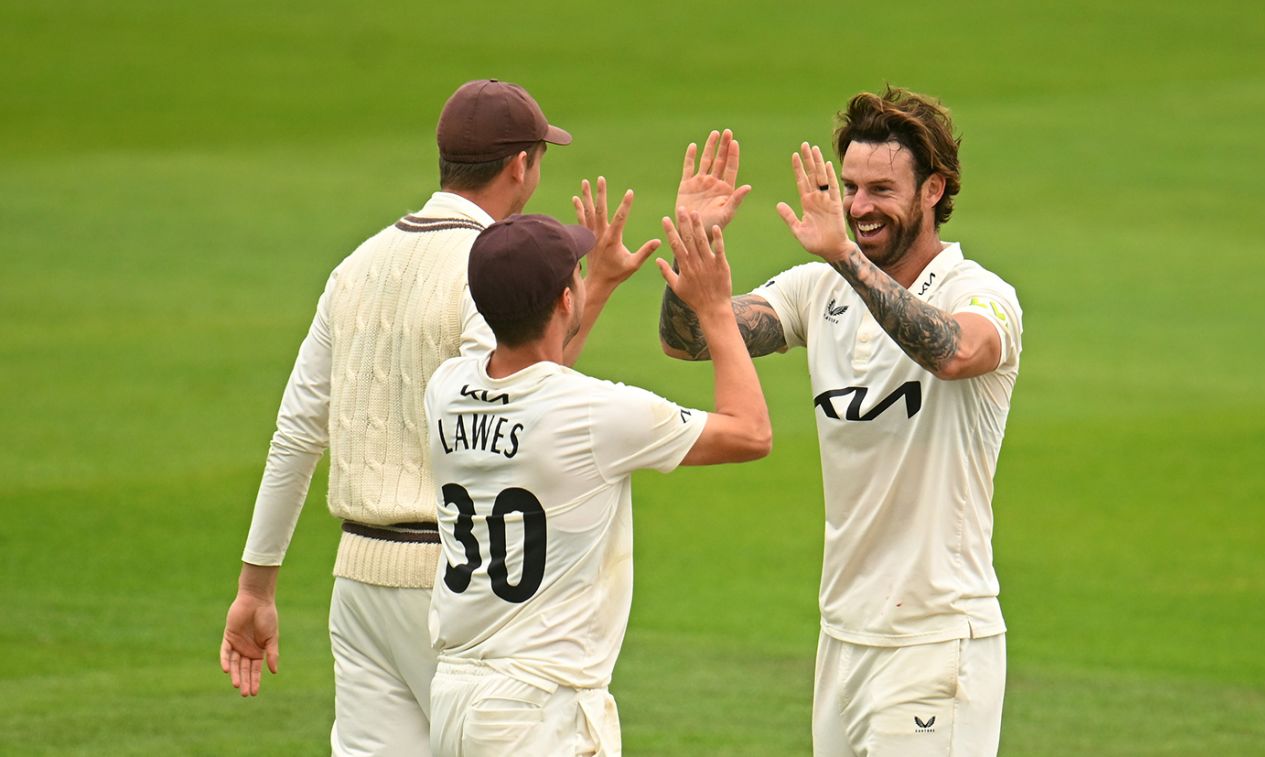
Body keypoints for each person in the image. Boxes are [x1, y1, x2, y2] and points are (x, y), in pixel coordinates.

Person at [218, 78, 657, 755]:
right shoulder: (488, 271)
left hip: (359, 585)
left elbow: (298, 432)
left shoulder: (354, 268)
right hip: (460, 588)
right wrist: (594, 288)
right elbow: (527, 407)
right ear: (521, 166)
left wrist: (256, 585)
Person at [659, 87, 1024, 756]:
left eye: (881, 188)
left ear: (933, 189)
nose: (858, 207)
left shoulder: (979, 292)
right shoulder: (816, 290)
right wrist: (696, 246)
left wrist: (845, 258)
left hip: (936, 641)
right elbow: (688, 339)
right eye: (849, 186)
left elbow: (953, 351)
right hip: (843, 637)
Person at [424, 209, 771, 756]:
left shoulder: (445, 388)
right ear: (564, 301)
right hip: (541, 714)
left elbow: (537, 378)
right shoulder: (594, 414)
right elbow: (750, 432)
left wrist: (601, 283)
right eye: (576, 274)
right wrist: (715, 309)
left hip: (454, 700)